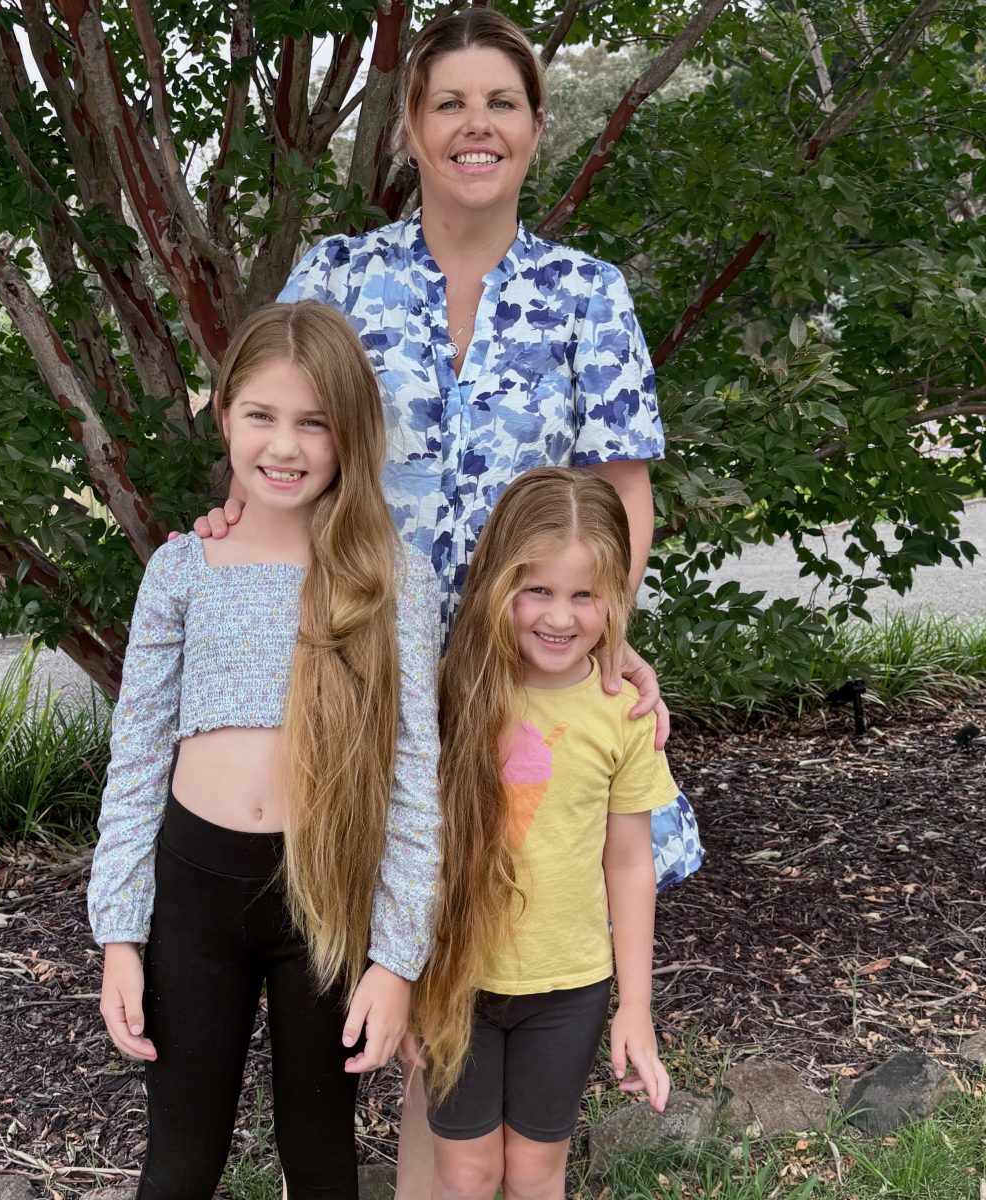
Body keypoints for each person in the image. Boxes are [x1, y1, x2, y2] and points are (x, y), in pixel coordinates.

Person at [194, 10, 703, 1188]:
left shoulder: (587, 293)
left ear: (535, 128)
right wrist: (237, 512)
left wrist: (611, 640)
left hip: (526, 687)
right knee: (411, 977)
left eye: (503, 103)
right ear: (413, 130)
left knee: (482, 965)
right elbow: (279, 426)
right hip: (369, 675)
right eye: (450, 104)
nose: (477, 125)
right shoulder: (339, 274)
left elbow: (623, 493)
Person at [88, 301, 442, 1200]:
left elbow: (411, 778)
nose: (285, 446)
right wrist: (120, 936)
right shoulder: (182, 569)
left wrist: (398, 958)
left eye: (314, 423)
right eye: (262, 415)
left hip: (323, 897)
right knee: (180, 1162)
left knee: (320, 1155)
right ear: (222, 412)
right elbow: (134, 761)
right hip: (192, 897)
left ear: (349, 434)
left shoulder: (388, 579)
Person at [415, 467, 672, 1200]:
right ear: (500, 583)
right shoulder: (451, 696)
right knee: (466, 1175)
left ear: (615, 595)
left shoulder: (621, 712)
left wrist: (636, 1007)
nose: (560, 617)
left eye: (584, 595)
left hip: (570, 988)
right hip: (455, 978)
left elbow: (628, 864)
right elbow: (407, 845)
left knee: (535, 1175)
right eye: (539, 590)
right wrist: (402, 976)